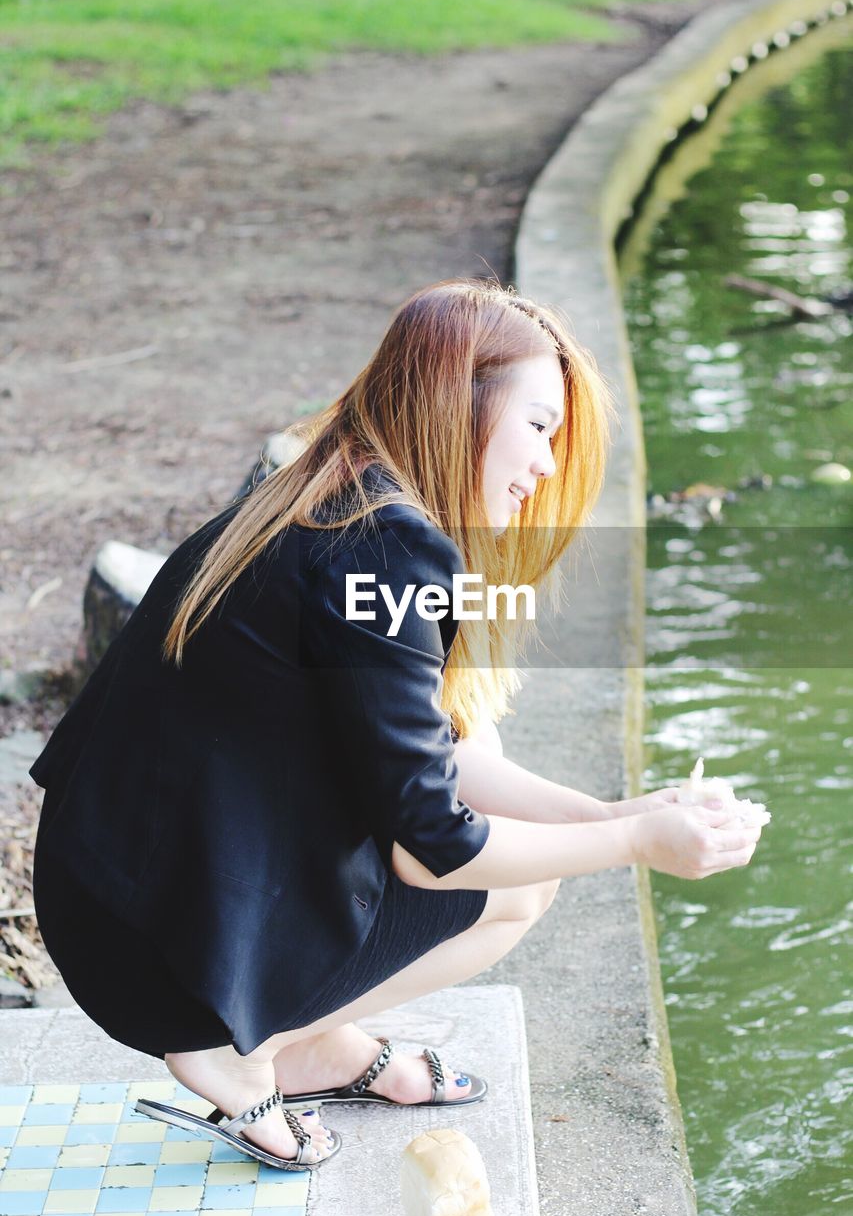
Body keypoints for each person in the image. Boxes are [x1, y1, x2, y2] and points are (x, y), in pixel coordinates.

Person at [28, 277, 764, 1171]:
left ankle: (299, 1042)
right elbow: (435, 848)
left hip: (121, 891)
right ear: (459, 399)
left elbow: (431, 760)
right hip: (160, 944)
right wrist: (637, 843)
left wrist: (612, 814)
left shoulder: (333, 493)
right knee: (520, 891)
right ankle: (241, 1046)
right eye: (536, 425)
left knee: (515, 829)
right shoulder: (388, 547)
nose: (544, 462)